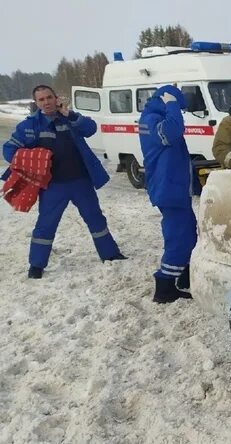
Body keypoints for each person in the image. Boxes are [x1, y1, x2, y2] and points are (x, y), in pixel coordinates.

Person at [2, 85, 126, 279]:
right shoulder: (29, 126)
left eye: (49, 97)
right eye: (41, 99)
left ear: (55, 98)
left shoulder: (69, 118)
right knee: (46, 224)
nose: (46, 102)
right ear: (36, 103)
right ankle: (36, 265)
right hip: (53, 186)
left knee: (95, 218)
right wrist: (30, 160)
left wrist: (69, 113)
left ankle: (110, 254)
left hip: (80, 181)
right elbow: (9, 149)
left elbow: (90, 129)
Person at [138, 84, 194, 304]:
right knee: (179, 237)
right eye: (177, 106)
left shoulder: (155, 117)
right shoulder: (151, 119)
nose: (179, 112)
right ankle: (164, 286)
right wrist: (172, 104)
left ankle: (182, 277)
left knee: (188, 232)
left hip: (175, 187)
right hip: (168, 188)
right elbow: (172, 131)